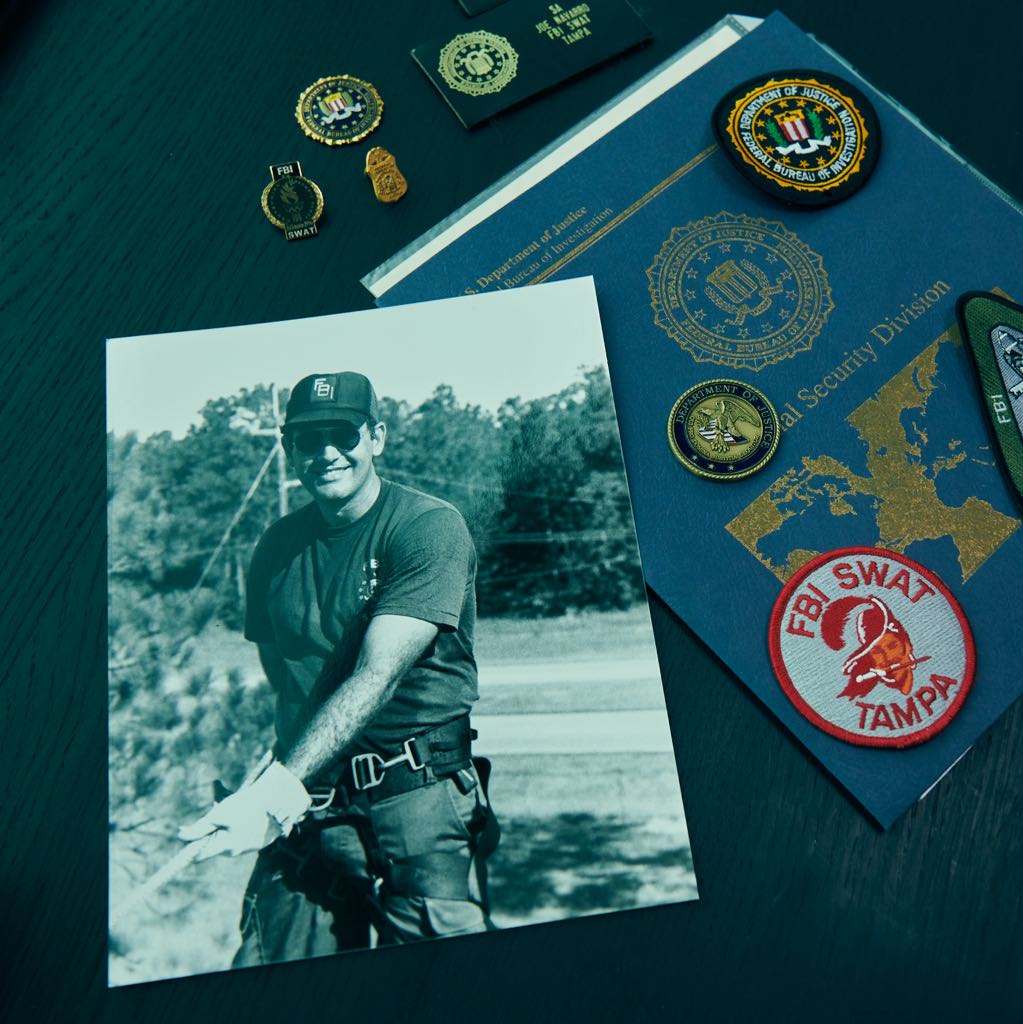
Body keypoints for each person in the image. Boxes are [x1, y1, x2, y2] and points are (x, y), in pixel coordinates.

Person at [179, 371, 498, 964]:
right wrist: (271, 791)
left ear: (376, 436)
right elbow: (287, 677)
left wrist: (275, 788)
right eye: (308, 438)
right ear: (288, 446)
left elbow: (377, 674)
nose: (326, 452)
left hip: (415, 796)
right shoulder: (275, 547)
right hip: (308, 809)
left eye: (342, 433)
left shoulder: (427, 527)